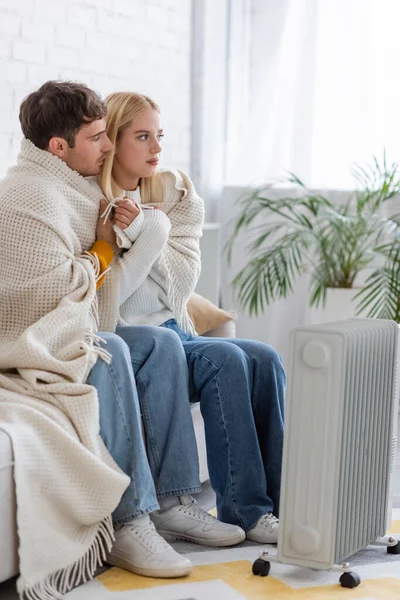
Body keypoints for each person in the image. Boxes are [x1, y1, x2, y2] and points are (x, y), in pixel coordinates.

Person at [0, 81, 244, 599]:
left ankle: (176, 503)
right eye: (95, 138)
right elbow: (45, 292)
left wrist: (112, 245)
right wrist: (106, 250)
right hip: (33, 338)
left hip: (80, 323)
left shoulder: (81, 187)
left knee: (160, 344)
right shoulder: (27, 195)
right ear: (58, 147)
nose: (107, 145)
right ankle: (130, 522)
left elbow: (98, 297)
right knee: (110, 353)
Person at [97, 91, 286, 545]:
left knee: (264, 356)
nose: (156, 148)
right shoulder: (94, 204)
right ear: (113, 140)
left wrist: (145, 229)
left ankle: (280, 506)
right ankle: (246, 510)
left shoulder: (170, 195)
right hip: (136, 342)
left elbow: (182, 279)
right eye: (142, 137)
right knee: (224, 357)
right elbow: (110, 297)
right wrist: (141, 237)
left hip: (175, 332)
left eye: (158, 136)